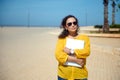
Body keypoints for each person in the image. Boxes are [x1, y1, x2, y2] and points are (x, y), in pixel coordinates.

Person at [55, 15, 90, 80]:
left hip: (80, 75)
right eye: (69, 24)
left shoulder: (85, 38)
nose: (73, 25)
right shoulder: (62, 39)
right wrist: (76, 60)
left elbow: (86, 52)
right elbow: (58, 55)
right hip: (63, 75)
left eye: (75, 23)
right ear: (66, 27)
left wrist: (72, 51)